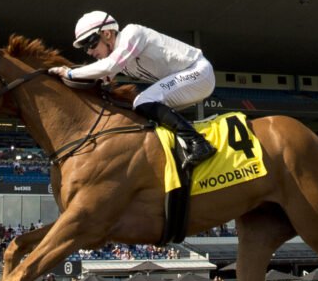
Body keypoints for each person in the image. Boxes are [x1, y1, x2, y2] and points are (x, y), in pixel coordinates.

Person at [48, 11, 217, 170]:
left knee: (142, 101)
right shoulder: (119, 53)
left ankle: (199, 143)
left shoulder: (132, 33)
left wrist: (70, 72)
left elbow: (109, 67)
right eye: (85, 48)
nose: (90, 51)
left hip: (198, 72)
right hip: (189, 76)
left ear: (107, 33)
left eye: (91, 43)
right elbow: (101, 78)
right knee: (138, 109)